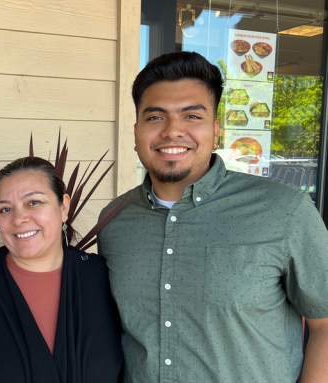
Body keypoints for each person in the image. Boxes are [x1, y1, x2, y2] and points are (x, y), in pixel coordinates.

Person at [97, 51, 328, 383]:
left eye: (192, 116)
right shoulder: (115, 220)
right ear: (136, 132)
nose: (173, 131)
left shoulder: (283, 210)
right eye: (155, 117)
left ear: (216, 130)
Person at [0, 156, 123, 383]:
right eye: (5, 209)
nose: (19, 219)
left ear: (64, 207)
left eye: (33, 202)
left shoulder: (104, 278)